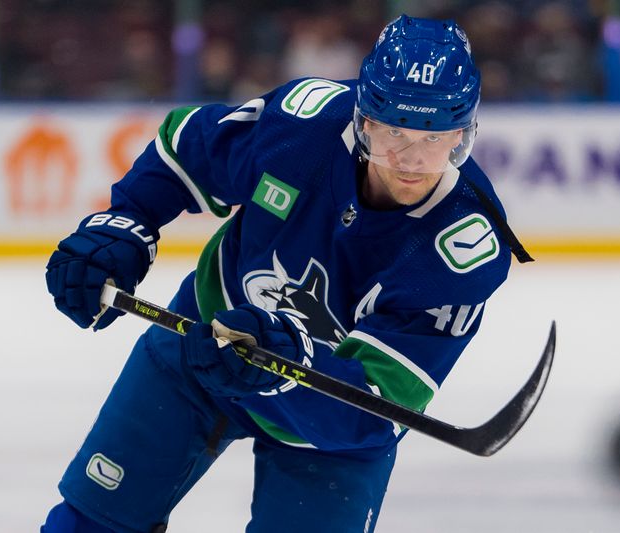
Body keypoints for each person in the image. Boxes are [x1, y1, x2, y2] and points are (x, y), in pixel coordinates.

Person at [41, 14, 531, 533]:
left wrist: (286, 368)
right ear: (364, 120)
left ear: (466, 133)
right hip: (199, 343)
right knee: (88, 526)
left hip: (327, 430)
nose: (411, 161)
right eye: (394, 135)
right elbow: (187, 149)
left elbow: (373, 409)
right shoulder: (303, 126)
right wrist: (125, 224)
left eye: (438, 141)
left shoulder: (462, 249)